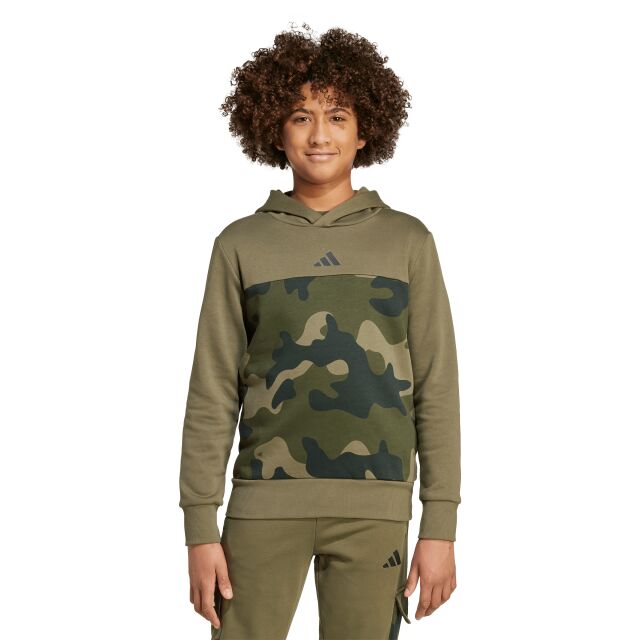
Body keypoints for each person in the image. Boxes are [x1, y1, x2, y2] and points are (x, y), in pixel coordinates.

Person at [178, 23, 461, 640]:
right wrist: (200, 526)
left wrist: (440, 524)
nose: (319, 135)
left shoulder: (408, 241)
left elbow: (437, 388)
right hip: (261, 507)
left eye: (337, 116)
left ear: (365, 131)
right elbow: (212, 391)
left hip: (376, 512)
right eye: (301, 117)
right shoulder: (241, 244)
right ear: (274, 129)